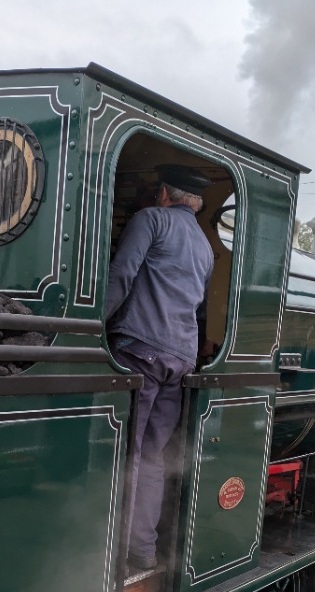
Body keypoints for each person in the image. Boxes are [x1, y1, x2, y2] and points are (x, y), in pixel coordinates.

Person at [106, 164, 214, 571]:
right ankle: (144, 551)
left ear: (164, 194)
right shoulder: (205, 246)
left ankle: (109, 556)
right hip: (180, 361)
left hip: (141, 350)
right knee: (152, 457)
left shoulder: (150, 219)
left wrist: (89, 327)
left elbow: (121, 275)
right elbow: (198, 307)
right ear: (196, 203)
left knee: (124, 453)